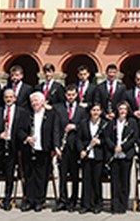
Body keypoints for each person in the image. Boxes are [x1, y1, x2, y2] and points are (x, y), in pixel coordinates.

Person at [0, 88, 27, 211]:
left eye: (11, 97)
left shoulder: (21, 112)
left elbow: (24, 128)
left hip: (13, 148)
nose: (8, 99)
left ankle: (8, 199)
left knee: (9, 175)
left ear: (15, 98)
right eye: (6, 97)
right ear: (3, 98)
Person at [21, 92, 60, 212]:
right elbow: (19, 130)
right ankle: (29, 200)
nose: (34, 103)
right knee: (29, 175)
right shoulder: (27, 114)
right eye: (32, 101)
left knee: (41, 176)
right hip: (29, 149)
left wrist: (56, 147)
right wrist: (27, 138)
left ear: (43, 102)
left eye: (36, 101)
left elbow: (55, 131)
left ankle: (39, 200)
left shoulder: (51, 114)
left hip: (44, 149)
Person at [54, 84, 85, 212]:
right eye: (68, 95)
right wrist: (56, 146)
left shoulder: (82, 110)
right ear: (65, 95)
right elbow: (55, 129)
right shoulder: (59, 109)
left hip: (75, 148)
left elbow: (84, 128)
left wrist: (75, 127)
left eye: (73, 95)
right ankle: (62, 200)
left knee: (74, 176)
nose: (71, 97)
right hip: (63, 147)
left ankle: (73, 200)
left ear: (76, 95)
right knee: (62, 176)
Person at [105, 101, 137, 214]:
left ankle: (123, 205)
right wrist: (114, 147)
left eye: (124, 109)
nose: (122, 111)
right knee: (114, 182)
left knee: (124, 181)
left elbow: (134, 138)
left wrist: (123, 147)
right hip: (114, 155)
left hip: (125, 155)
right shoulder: (112, 122)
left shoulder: (132, 122)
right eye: (120, 109)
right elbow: (107, 137)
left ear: (128, 111)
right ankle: (115, 205)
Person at [78, 103, 106, 214]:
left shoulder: (104, 124)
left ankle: (97, 204)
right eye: (93, 110)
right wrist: (81, 150)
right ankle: (85, 204)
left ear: (100, 112)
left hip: (98, 156)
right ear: (90, 111)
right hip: (86, 155)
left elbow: (107, 140)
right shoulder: (84, 123)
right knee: (86, 180)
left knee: (96, 180)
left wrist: (99, 142)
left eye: (98, 110)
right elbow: (79, 139)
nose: (95, 112)